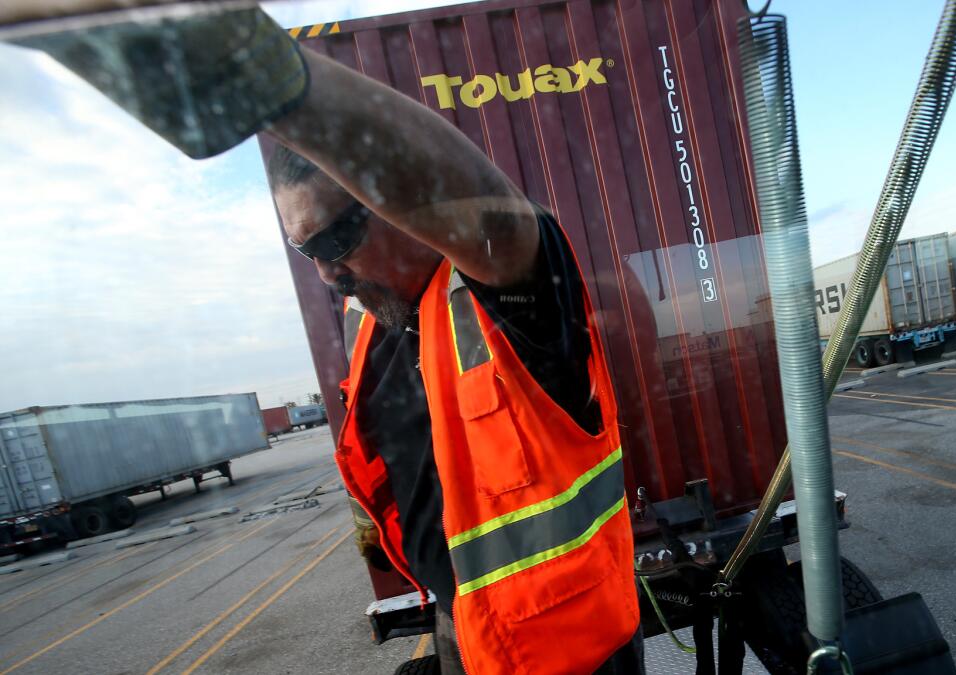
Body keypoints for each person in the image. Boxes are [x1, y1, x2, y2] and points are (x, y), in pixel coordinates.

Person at [9, 5, 641, 674]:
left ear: (397, 204)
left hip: (572, 657)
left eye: (337, 239)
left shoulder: (514, 301)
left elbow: (485, 207)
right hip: (470, 630)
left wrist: (254, 73)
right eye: (305, 249)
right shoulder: (377, 325)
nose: (327, 273)